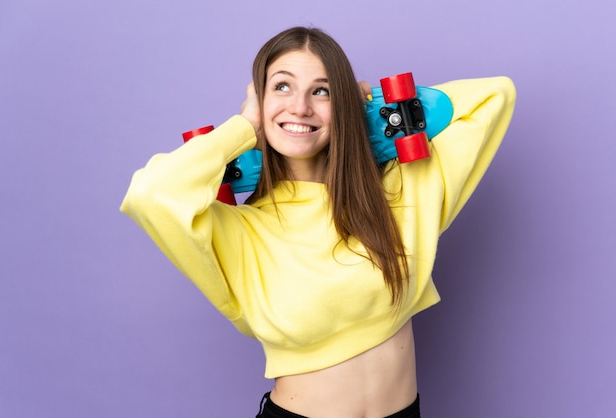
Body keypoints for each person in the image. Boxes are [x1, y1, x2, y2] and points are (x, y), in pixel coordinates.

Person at [120, 26, 516, 418]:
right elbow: (150, 193)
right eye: (281, 87)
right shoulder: (239, 230)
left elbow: (494, 96)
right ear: (258, 99)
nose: (300, 107)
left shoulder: (400, 191)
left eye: (322, 91)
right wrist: (246, 127)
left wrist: (363, 112)